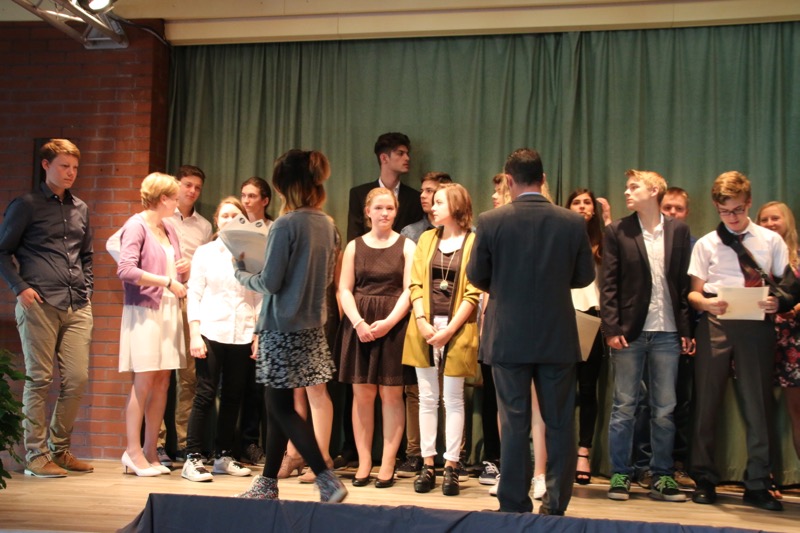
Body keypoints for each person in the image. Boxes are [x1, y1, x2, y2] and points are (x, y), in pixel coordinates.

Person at [467, 148, 594, 515]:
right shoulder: (572, 222)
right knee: (560, 424)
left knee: (514, 422)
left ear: (509, 180)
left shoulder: (491, 221)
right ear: (543, 178)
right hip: (557, 336)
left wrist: (506, 285)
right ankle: (555, 505)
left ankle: (513, 504)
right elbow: (584, 276)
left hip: (508, 336)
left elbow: (477, 275)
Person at [234, 149, 346, 503]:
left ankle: (324, 476)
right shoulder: (327, 224)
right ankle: (268, 482)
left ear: (283, 186)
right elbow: (326, 278)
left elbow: (269, 282)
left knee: (280, 407)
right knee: (277, 405)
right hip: (311, 325)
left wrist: (241, 271)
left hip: (281, 327)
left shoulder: (286, 224)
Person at [688, 171, 786, 512]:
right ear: (716, 207)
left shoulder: (770, 241)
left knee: (758, 403)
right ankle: (704, 478)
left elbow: (785, 287)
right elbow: (693, 294)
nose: (731, 217)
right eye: (724, 211)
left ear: (749, 203)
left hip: (757, 322)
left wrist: (776, 302)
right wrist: (706, 304)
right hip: (716, 320)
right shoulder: (706, 243)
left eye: (738, 210)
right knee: (707, 400)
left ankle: (758, 482)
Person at [0, 139, 94, 477]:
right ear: (46, 165)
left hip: (77, 304)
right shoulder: (26, 205)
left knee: (77, 379)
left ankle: (60, 449)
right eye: (64, 166)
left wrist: (88, 289)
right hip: (39, 302)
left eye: (74, 168)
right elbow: (2, 251)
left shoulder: (80, 208)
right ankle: (36, 455)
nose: (70, 173)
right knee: (39, 379)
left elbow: (86, 255)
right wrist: (20, 287)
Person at [600, 170, 693, 503]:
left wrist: (686, 330)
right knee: (624, 405)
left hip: (668, 331)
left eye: (634, 186)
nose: (627, 192)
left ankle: (662, 474)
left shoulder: (679, 231)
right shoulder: (617, 230)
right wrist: (612, 328)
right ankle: (621, 473)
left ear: (654, 191)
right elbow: (608, 284)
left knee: (665, 408)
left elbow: (682, 285)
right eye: (627, 187)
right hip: (630, 332)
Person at [402, 183, 480, 496]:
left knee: (454, 398)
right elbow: (415, 284)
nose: (432, 207)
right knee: (427, 397)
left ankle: (451, 465)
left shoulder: (473, 241)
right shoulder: (426, 238)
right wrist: (422, 321)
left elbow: (473, 292)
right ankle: (428, 464)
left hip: (457, 328)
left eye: (439, 202)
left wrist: (449, 330)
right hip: (424, 326)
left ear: (457, 206)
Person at [336, 187, 415, 488]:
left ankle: (388, 462)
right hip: (360, 326)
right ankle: (364, 462)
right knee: (362, 396)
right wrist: (358, 323)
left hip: (393, 326)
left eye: (390, 208)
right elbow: (345, 289)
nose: (385, 213)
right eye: (379, 208)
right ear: (367, 211)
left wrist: (389, 322)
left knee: (392, 396)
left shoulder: (407, 246)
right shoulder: (354, 246)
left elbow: (410, 290)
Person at [181, 197, 258, 482]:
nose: (229, 219)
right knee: (204, 394)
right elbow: (195, 293)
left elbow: (259, 295)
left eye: (235, 215)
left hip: (243, 333)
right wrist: (194, 333)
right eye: (224, 215)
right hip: (211, 331)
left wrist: (258, 334)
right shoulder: (205, 253)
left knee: (233, 397)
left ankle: (223, 456)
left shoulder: (251, 254)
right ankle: (192, 457)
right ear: (216, 220)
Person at [116, 172, 188, 477]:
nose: (178, 203)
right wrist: (167, 281)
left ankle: (149, 450)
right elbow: (126, 269)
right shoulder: (136, 225)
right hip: (145, 310)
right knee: (144, 380)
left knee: (162, 381)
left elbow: (177, 273)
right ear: (162, 198)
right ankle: (132, 451)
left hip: (169, 310)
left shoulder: (169, 228)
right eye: (175, 198)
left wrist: (183, 270)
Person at [396, 171, 452, 479]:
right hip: (418, 317)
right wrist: (417, 316)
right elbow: (409, 281)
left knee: (452, 392)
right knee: (416, 391)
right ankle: (415, 454)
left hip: (451, 319)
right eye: (423, 190)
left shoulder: (465, 234)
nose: (424, 196)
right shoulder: (413, 232)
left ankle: (454, 456)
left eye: (431, 191)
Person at [157, 165, 213, 464]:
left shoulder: (204, 226)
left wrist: (193, 267)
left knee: (189, 378)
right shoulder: (161, 218)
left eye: (197, 187)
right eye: (187, 185)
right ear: (176, 185)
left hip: (191, 300)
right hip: (162, 299)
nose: (192, 191)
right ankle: (156, 442)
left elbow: (207, 266)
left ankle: (184, 443)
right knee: (159, 372)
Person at [566, 188, 605, 486]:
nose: (582, 206)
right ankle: (558, 452)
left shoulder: (603, 242)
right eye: (576, 202)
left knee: (588, 389)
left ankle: (584, 452)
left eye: (587, 202)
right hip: (562, 317)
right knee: (560, 389)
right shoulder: (561, 237)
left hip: (594, 318)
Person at [757, 201, 800, 462]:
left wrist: (794, 309)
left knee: (797, 411)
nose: (770, 224)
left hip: (794, 341)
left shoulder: (798, 258)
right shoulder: (754, 257)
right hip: (760, 336)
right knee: (760, 412)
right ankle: (765, 476)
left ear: (787, 221)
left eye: (775, 218)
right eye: (764, 219)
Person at [238, 176, 274, 466]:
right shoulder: (234, 230)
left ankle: (267, 445)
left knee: (264, 388)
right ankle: (243, 444)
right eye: (244, 195)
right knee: (242, 388)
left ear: (265, 200)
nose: (247, 201)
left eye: (252, 196)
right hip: (237, 314)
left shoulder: (274, 230)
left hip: (267, 315)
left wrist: (260, 329)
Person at [346, 132, 424, 242]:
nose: (407, 158)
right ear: (384, 158)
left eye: (407, 153)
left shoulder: (415, 198)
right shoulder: (359, 194)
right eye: (400, 153)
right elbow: (354, 238)